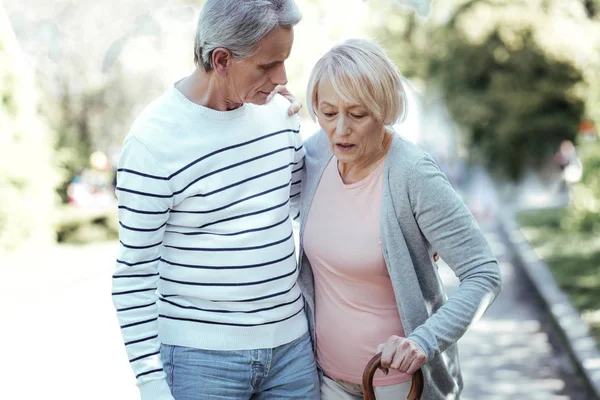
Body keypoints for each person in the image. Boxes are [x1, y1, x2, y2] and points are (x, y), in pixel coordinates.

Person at [111, 1, 319, 399]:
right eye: (267, 66)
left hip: (293, 351)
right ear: (221, 59)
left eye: (284, 61)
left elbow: (303, 208)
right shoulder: (152, 142)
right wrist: (151, 383)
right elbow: (134, 275)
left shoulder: (282, 115)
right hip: (199, 362)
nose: (282, 77)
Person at [297, 39, 502, 399]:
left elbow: (484, 273)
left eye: (357, 114)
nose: (340, 129)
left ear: (384, 111)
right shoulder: (316, 153)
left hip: (399, 387)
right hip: (326, 381)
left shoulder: (412, 174)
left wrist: (424, 340)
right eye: (329, 113)